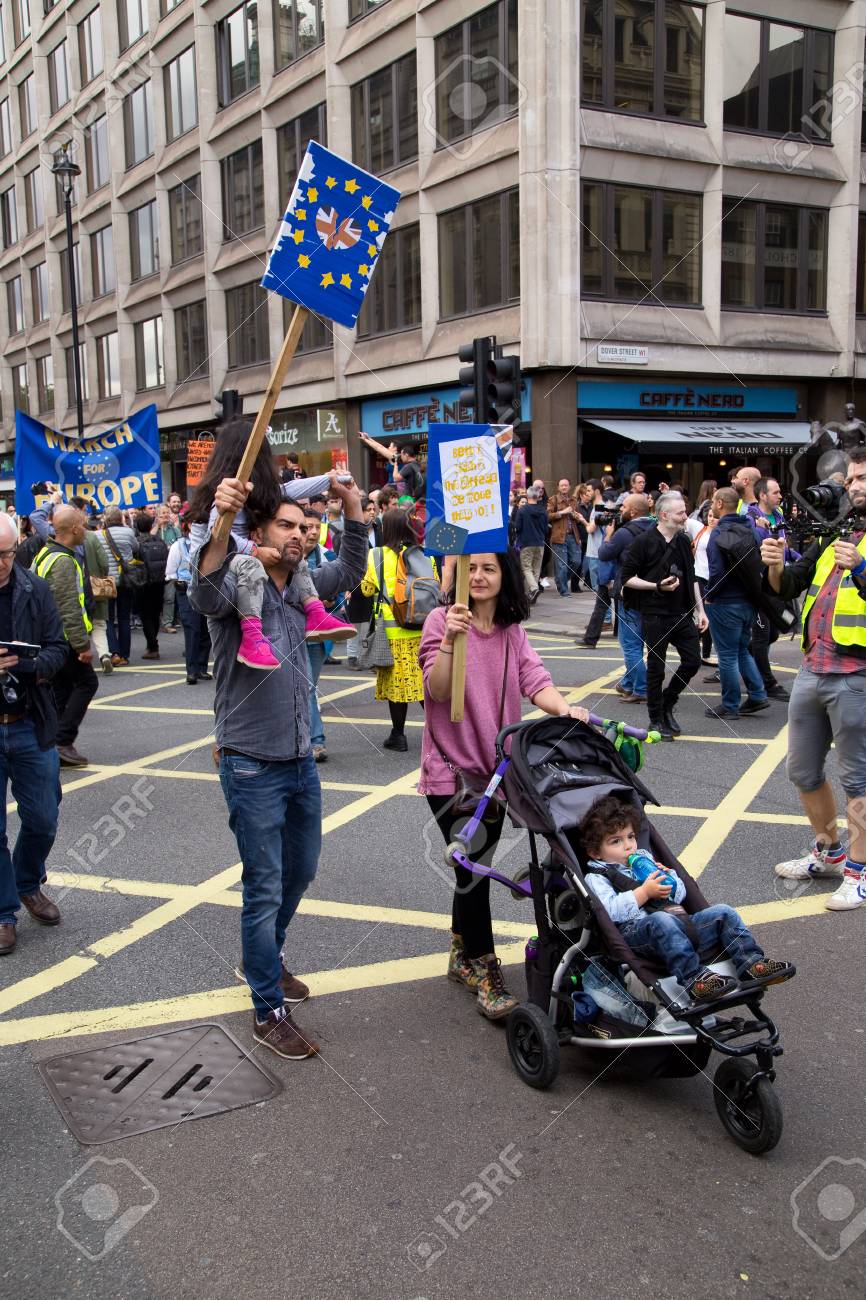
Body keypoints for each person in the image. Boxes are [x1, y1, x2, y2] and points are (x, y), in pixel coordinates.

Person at [191, 474, 368, 1058]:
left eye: (304, 526)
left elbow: (351, 562)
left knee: (301, 872)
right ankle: (268, 1008)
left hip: (299, 760)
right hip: (249, 763)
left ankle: (264, 956)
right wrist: (221, 520)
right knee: (263, 886)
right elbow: (205, 580)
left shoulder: (303, 589)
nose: (299, 534)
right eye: (287, 526)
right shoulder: (233, 593)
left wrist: (350, 506)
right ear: (260, 534)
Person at [419, 550, 590, 1019]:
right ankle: (485, 967)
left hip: (497, 775)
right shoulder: (441, 620)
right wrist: (452, 639)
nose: (477, 576)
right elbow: (435, 689)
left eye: (489, 568)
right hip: (450, 774)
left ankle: (461, 955)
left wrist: (564, 709)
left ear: (504, 577)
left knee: (471, 868)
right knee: (472, 868)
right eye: (471, 567)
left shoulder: (512, 633)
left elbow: (535, 679)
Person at [762, 449, 866, 911]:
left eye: (863, 479)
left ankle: (860, 873)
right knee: (802, 771)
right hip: (811, 669)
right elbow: (787, 584)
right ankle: (829, 853)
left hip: (856, 675)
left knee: (858, 780)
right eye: (853, 480)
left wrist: (861, 570)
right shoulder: (838, 534)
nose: (855, 486)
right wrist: (774, 563)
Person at [579, 795, 793, 1003]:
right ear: (595, 853)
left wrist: (668, 878)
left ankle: (751, 962)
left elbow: (679, 895)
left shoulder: (643, 860)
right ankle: (696, 980)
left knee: (723, 912)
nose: (628, 846)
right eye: (616, 841)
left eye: (631, 837)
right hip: (638, 935)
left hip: (679, 923)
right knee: (662, 921)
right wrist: (644, 892)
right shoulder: (598, 877)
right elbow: (609, 911)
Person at [187, 418, 354, 669]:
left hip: (247, 559)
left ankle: (316, 612)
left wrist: (330, 480)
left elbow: (287, 489)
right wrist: (255, 551)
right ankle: (252, 637)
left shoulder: (254, 490)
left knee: (291, 554)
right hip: (216, 572)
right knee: (251, 566)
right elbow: (217, 537)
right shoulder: (223, 496)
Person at [0, 512, 67, 955]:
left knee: (43, 816)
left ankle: (27, 881)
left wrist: (30, 665)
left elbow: (60, 648)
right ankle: (3, 913)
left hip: (28, 721)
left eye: (5, 554)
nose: (1, 564)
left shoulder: (33, 587)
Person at [620, 492, 708, 740]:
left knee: (693, 661)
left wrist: (701, 611)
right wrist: (656, 586)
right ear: (664, 514)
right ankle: (655, 720)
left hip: (681, 613)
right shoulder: (643, 541)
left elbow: (692, 579)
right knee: (656, 669)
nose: (685, 516)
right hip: (654, 614)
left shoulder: (682, 541)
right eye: (681, 512)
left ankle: (668, 702)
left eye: (685, 511)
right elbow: (626, 578)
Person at [33, 505, 99, 767]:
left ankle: (52, 740)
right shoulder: (62, 561)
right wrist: (82, 644)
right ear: (73, 529)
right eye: (83, 524)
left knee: (61, 688)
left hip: (49, 637)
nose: (86, 529)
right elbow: (68, 607)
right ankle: (62, 740)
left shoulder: (45, 553)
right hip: (63, 639)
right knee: (87, 684)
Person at [360, 508, 425, 752]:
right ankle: (441, 733)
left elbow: (367, 590)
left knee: (398, 686)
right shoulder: (422, 555)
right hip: (420, 629)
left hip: (392, 631)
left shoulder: (376, 555)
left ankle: (398, 735)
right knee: (422, 682)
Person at [702, 487, 769, 721]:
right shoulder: (752, 528)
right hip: (749, 600)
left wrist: (709, 594)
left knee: (727, 655)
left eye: (712, 501)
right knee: (741, 649)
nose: (711, 505)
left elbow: (717, 571)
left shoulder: (718, 533)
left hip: (725, 603)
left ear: (720, 503)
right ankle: (758, 694)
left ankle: (730, 705)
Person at [598, 495, 654, 702]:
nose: (621, 510)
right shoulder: (656, 528)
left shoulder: (624, 533)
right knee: (640, 642)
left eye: (624, 507)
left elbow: (604, 554)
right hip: (650, 592)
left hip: (629, 593)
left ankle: (641, 689)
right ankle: (629, 683)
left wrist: (608, 535)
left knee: (631, 644)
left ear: (633, 512)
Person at [743, 477, 792, 702]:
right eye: (775, 492)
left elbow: (785, 551)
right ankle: (767, 683)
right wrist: (767, 532)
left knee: (776, 630)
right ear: (762, 495)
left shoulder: (779, 515)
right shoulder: (751, 519)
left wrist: (802, 562)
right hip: (760, 586)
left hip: (778, 583)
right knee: (762, 635)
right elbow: (757, 549)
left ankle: (745, 656)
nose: (780, 496)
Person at [166, 517, 212, 685]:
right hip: (186, 590)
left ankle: (201, 667)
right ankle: (191, 671)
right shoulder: (179, 545)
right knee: (192, 628)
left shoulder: (209, 544)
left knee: (206, 628)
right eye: (194, 523)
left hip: (206, 589)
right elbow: (171, 570)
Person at [345, 496, 381, 669]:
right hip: (354, 580)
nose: (372, 512)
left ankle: (366, 656)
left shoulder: (379, 530)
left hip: (374, 581)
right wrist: (345, 587)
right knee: (354, 621)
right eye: (369, 510)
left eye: (374, 509)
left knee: (370, 621)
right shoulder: (354, 530)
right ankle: (352, 656)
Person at [101, 506, 139, 667]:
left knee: (108, 618)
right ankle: (124, 654)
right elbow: (136, 548)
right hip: (125, 580)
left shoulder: (98, 535)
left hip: (107, 582)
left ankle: (114, 652)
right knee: (124, 618)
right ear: (120, 518)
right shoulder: (129, 532)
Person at [685, 499, 716, 666]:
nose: (711, 519)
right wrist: (668, 495)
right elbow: (684, 518)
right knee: (701, 614)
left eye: (715, 516)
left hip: (715, 579)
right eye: (709, 515)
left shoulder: (724, 534)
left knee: (708, 616)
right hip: (698, 577)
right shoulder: (700, 529)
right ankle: (696, 649)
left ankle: (705, 652)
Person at [133, 513, 168, 661]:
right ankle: (152, 643)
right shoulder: (160, 541)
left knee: (145, 615)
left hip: (144, 583)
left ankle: (153, 646)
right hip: (159, 582)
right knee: (154, 613)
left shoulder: (137, 543)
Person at [547, 478, 583, 597]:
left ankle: (560, 580)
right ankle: (564, 590)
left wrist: (575, 515)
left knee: (576, 561)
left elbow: (578, 518)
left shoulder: (574, 500)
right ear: (558, 487)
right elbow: (547, 516)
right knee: (562, 564)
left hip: (573, 535)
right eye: (562, 485)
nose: (564, 487)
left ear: (569, 487)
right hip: (559, 536)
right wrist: (562, 512)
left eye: (566, 485)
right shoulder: (553, 500)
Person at [514, 486, 548, 600]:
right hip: (540, 543)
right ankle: (531, 594)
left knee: (526, 568)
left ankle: (533, 589)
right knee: (536, 569)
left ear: (527, 496)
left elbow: (517, 527)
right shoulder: (543, 510)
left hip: (526, 543)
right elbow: (546, 529)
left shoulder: (522, 510)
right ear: (538, 496)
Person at [156, 504, 181, 634]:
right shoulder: (154, 529)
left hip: (169, 567)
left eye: (167, 512)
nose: (165, 515)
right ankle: (155, 621)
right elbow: (148, 539)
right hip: (155, 570)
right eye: (163, 513)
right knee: (156, 597)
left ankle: (167, 622)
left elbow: (180, 544)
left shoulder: (175, 530)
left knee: (169, 597)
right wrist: (158, 526)